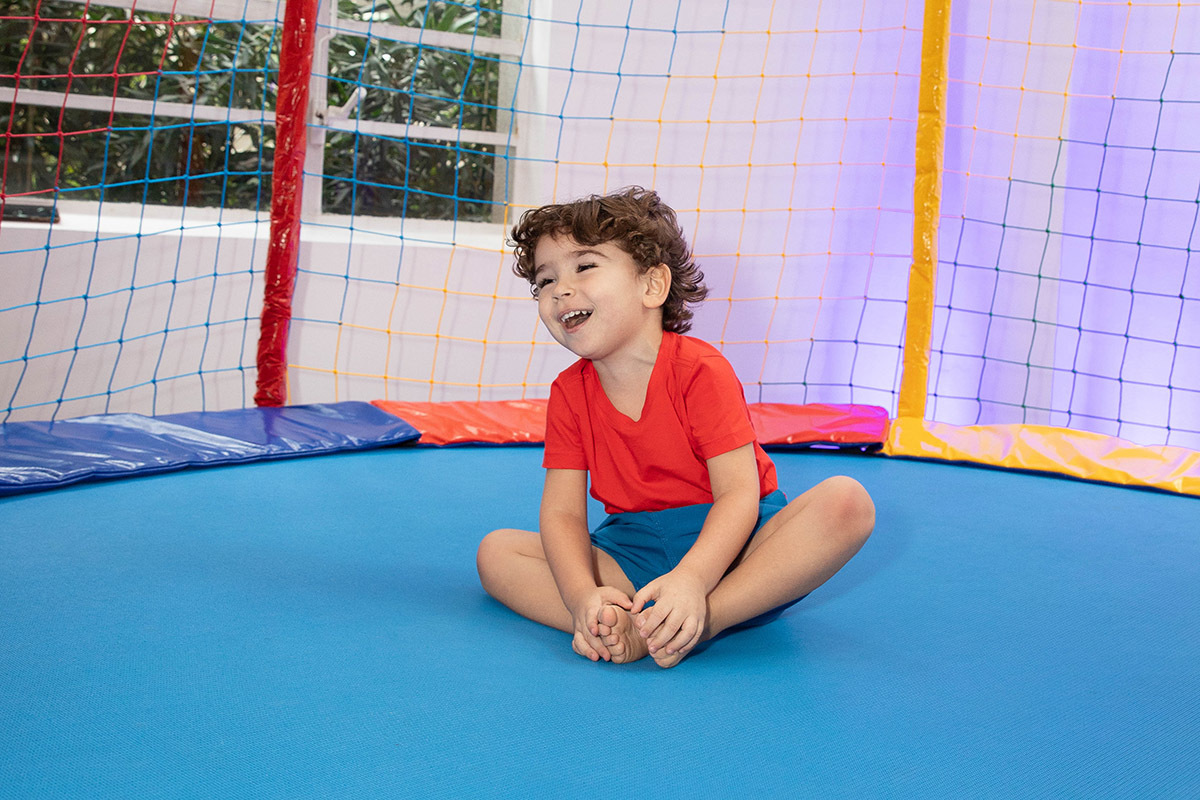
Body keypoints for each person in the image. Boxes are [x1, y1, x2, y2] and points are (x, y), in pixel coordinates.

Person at [476, 187, 874, 668]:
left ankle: (701, 620)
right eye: (545, 280)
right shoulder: (568, 392)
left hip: (737, 547)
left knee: (846, 502)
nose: (559, 289)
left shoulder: (700, 371)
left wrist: (693, 579)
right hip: (635, 547)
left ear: (652, 286)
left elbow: (738, 496)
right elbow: (562, 515)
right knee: (497, 553)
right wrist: (582, 597)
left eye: (584, 266)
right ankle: (615, 625)